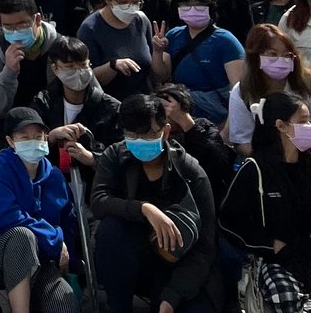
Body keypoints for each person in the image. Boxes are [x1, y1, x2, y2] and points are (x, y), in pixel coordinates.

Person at [89, 91, 224, 313]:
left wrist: (172, 297)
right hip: (131, 259)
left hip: (178, 265)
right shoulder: (115, 156)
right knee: (111, 230)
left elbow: (205, 247)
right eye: (133, 135)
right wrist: (144, 209)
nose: (140, 142)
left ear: (165, 131)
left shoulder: (190, 171)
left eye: (149, 134)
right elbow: (99, 202)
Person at [219, 87, 311, 312]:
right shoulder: (256, 168)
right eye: (302, 121)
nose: (310, 127)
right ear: (281, 126)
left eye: (309, 121)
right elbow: (229, 220)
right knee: (284, 297)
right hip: (277, 258)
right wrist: (267, 243)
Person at [0, 107, 78, 313]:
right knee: (22, 235)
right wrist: (54, 238)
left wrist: (69, 260)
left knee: (64, 302)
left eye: (39, 137)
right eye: (25, 137)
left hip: (42, 258)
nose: (34, 142)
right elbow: (5, 217)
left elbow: (67, 220)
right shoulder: (3, 167)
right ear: (11, 141)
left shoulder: (53, 176)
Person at [228, 22, 311, 153]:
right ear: (255, 57)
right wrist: (273, 160)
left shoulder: (310, 84)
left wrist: (300, 156)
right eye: (272, 54)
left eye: (287, 55)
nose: (281, 60)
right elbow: (241, 141)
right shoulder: (242, 91)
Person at [151, 0, 244, 122]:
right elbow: (161, 75)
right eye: (186, 6)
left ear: (211, 7)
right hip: (180, 103)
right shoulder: (173, 35)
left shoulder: (225, 40)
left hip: (214, 108)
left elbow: (238, 89)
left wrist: (229, 127)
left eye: (199, 6)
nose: (192, 10)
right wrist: (157, 51)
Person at [0, 0, 59, 148]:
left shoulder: (58, 46)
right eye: (8, 27)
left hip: (52, 131)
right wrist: (9, 71)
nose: (15, 32)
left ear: (37, 19)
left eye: (22, 25)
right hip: (11, 136)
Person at [32, 36, 121, 170]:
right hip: (54, 179)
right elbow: (29, 147)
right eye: (70, 66)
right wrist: (51, 137)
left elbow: (121, 154)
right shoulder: (43, 103)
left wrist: (92, 158)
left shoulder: (110, 107)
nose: (78, 72)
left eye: (83, 65)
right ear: (55, 69)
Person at [77, 0, 155, 101]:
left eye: (135, 2)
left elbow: (151, 63)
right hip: (111, 104)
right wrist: (113, 65)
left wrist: (159, 51)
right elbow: (87, 77)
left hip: (144, 101)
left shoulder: (141, 20)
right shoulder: (89, 29)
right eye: (124, 2)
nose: (130, 7)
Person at [155, 82, 235, 201]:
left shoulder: (204, 127)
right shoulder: (155, 133)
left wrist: (184, 121)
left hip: (206, 196)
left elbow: (218, 163)